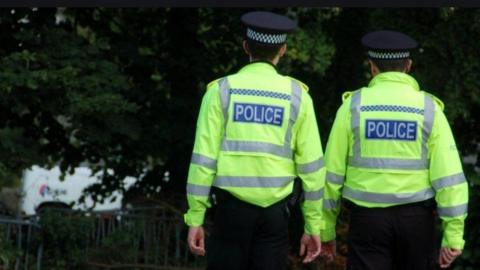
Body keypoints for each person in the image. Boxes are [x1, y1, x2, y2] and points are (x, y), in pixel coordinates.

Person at [183, 10, 326, 270]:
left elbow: (203, 161)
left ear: (246, 46)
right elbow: (313, 169)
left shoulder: (220, 92)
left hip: (229, 212)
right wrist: (313, 225)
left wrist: (195, 217)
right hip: (275, 214)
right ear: (282, 50)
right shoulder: (298, 97)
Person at [320, 30, 469, 269]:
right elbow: (449, 177)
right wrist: (453, 234)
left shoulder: (353, 106)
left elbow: (330, 176)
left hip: (367, 223)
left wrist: (325, 229)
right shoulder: (429, 109)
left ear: (372, 66)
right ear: (408, 65)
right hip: (417, 223)